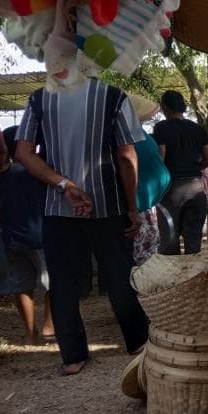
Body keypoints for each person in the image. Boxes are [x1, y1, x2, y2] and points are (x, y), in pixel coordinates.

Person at [15, 77, 149, 375]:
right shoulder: (113, 97)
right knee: (118, 275)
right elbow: (127, 157)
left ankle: (73, 357)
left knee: (63, 283)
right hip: (108, 207)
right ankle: (138, 341)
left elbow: (23, 153)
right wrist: (132, 208)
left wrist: (63, 184)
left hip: (58, 208)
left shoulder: (39, 99)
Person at [0, 126, 54, 345]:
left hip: (13, 239)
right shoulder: (37, 173)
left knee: (22, 286)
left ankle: (30, 334)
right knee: (53, 284)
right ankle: (49, 326)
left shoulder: (2, 177)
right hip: (41, 237)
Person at [153, 90, 208, 254]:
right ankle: (193, 278)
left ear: (165, 107)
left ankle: (173, 279)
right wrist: (194, 169)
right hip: (196, 188)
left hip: (172, 190)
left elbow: (161, 158)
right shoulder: (198, 129)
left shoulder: (161, 128)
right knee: (193, 245)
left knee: (170, 243)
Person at [128, 94, 171, 265]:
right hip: (141, 204)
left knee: (141, 253)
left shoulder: (134, 138)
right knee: (145, 254)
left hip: (140, 205)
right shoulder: (141, 136)